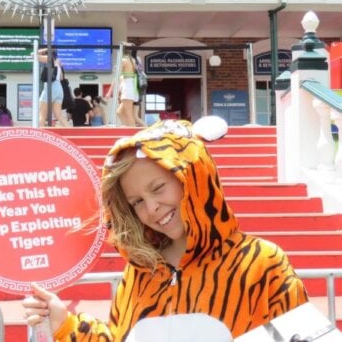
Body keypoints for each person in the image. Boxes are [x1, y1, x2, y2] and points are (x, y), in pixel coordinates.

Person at [23, 119, 308, 340]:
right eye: (136, 202)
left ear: (194, 177)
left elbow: (303, 336)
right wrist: (66, 324)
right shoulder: (140, 272)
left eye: (158, 187)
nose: (152, 208)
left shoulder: (262, 262)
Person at [106, 42, 139, 127]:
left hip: (128, 87)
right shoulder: (133, 60)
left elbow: (117, 77)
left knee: (128, 114)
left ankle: (132, 133)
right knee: (119, 112)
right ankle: (128, 128)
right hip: (130, 86)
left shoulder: (124, 60)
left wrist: (109, 92)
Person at [37, 48, 69, 127]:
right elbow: (61, 78)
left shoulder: (49, 58)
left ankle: (41, 135)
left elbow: (33, 55)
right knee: (59, 115)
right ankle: (70, 130)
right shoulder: (58, 63)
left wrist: (43, 50)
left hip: (50, 88)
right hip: (59, 89)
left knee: (42, 115)